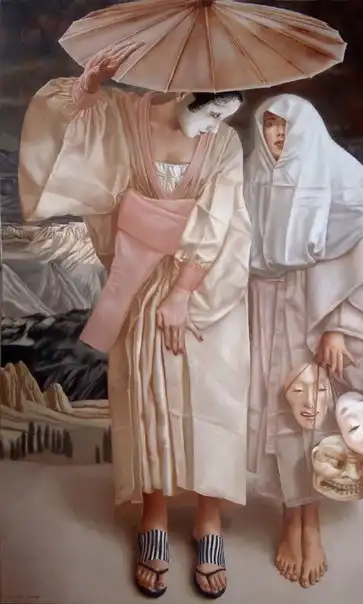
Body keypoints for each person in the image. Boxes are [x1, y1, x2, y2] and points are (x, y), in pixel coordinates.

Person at [19, 41, 251, 599]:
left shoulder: (224, 143)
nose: (216, 125)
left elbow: (222, 220)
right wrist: (88, 90)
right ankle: (154, 513)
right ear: (187, 92)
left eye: (226, 115)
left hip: (206, 284)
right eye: (211, 111)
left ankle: (209, 518)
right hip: (140, 279)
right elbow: (72, 139)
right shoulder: (127, 114)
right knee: (148, 394)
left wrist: (184, 292)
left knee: (212, 396)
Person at [244, 94, 363, 588]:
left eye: (285, 127)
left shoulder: (336, 171)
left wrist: (338, 325)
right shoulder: (253, 175)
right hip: (262, 307)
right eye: (269, 126)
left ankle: (309, 524)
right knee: (275, 411)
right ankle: (291, 520)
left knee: (308, 414)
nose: (276, 136)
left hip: (312, 312)